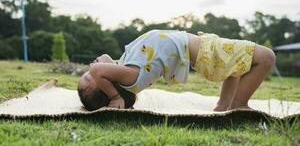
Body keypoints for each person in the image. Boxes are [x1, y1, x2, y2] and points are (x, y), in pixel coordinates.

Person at [77, 29, 275, 111]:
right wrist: (114, 97)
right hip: (208, 52)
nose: (91, 67)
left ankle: (224, 107)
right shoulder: (129, 77)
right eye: (89, 75)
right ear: (107, 82)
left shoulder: (125, 65)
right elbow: (98, 70)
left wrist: (111, 90)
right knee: (267, 57)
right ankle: (239, 106)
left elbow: (100, 69)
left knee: (235, 69)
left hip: (207, 50)